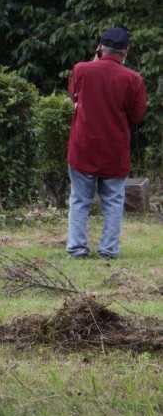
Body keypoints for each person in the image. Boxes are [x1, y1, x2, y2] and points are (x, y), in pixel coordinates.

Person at [66, 27, 147, 260]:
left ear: (100, 48)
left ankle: (77, 248)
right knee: (113, 201)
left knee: (80, 199)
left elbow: (74, 97)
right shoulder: (133, 79)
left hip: (83, 148)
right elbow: (136, 115)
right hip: (114, 149)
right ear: (126, 51)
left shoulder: (81, 70)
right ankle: (109, 250)